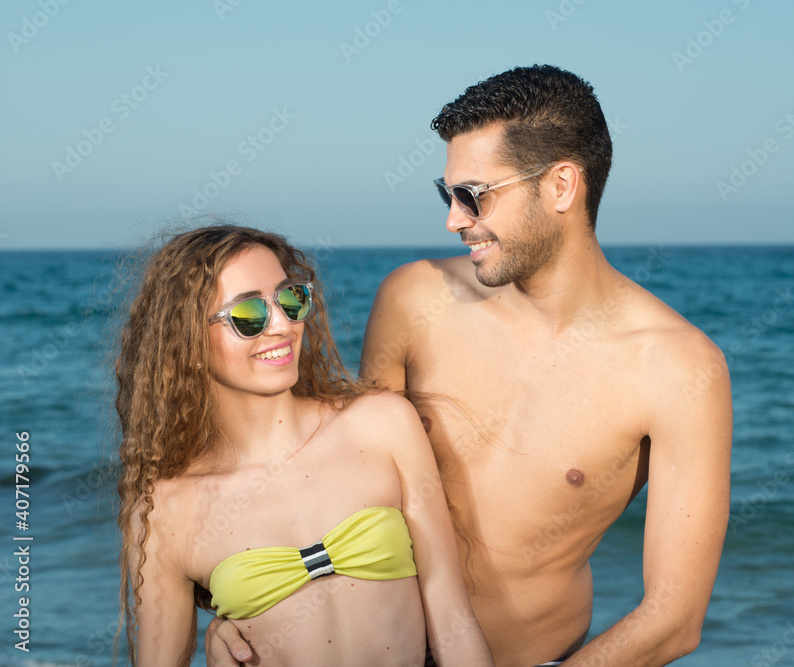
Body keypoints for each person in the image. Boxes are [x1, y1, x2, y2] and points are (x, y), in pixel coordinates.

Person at [212, 64, 731, 666]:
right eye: (448, 193)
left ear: (562, 186)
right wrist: (236, 605)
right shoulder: (413, 298)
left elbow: (674, 619)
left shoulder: (677, 369)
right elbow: (330, 487)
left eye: (474, 195)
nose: (454, 219)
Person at [116, 225, 493, 665]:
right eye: (249, 313)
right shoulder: (166, 510)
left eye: (290, 299)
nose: (282, 325)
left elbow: (453, 620)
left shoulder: (383, 424)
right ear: (188, 341)